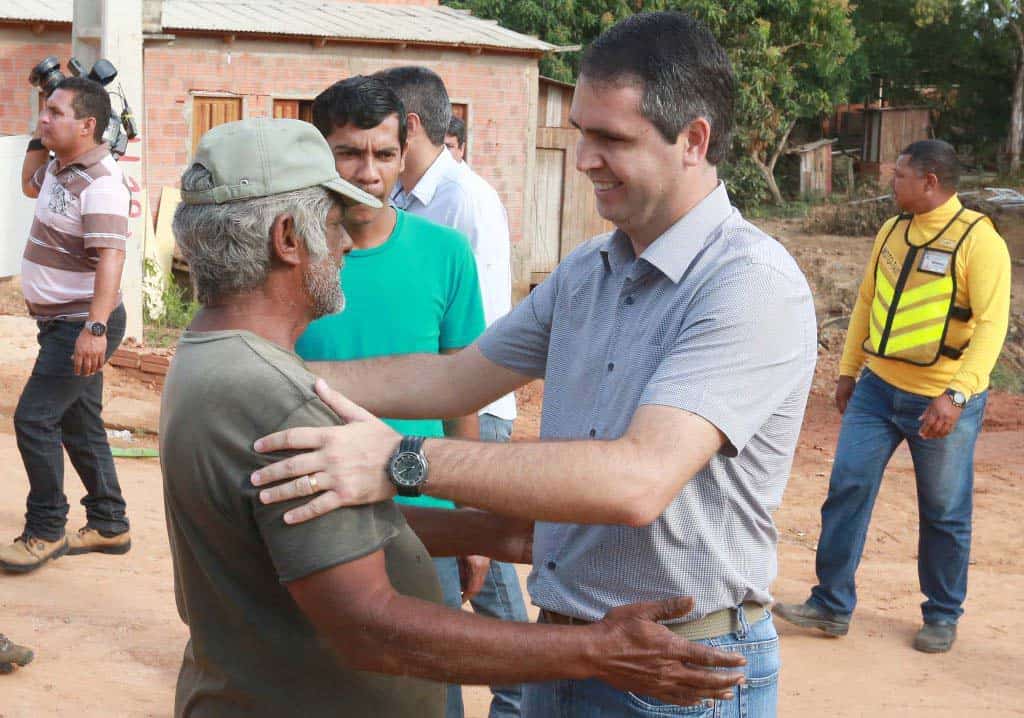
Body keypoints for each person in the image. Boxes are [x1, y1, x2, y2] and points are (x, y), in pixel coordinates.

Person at [250, 12, 817, 717]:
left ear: (693, 141)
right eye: (582, 131)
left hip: (672, 674)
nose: (583, 158)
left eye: (611, 138)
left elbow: (637, 480)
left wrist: (400, 459)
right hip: (566, 645)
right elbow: (457, 376)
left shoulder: (746, 284)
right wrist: (267, 375)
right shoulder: (591, 269)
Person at [162, 117, 746, 718]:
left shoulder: (211, 355)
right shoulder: (278, 399)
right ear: (288, 238)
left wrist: (488, 532)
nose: (344, 245)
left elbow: (304, 531)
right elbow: (371, 626)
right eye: (335, 225)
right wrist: (597, 650)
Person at [774, 140, 1012, 654]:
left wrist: (956, 394)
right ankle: (830, 604)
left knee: (945, 511)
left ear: (929, 181)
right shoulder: (893, 231)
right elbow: (867, 301)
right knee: (846, 492)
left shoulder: (980, 242)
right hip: (877, 392)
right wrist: (847, 370)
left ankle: (943, 614)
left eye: (899, 174)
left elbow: (991, 328)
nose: (890, 181)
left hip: (941, 401)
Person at [296, 74, 492, 663]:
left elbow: (462, 396)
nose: (368, 173)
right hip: (312, 510)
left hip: (422, 517)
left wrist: (473, 522)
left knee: (430, 684)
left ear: (404, 155)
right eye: (349, 154)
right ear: (318, 155)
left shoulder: (446, 254)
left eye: (383, 154)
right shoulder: (288, 255)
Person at [378, 66, 528, 718]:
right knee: (440, 565)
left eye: (382, 135)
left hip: (471, 409)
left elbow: (471, 336)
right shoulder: (406, 200)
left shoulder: (462, 200)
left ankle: (523, 696)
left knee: (479, 564)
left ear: (408, 126)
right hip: (426, 406)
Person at [0, 77, 131, 574]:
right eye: (44, 110)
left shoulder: (101, 183)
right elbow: (26, 182)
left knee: (34, 419)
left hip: (79, 324)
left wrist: (94, 330)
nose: (44, 119)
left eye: (55, 112)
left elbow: (111, 258)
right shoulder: (61, 166)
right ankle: (110, 523)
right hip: (62, 322)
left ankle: (46, 530)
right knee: (79, 421)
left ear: (89, 125)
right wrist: (45, 130)